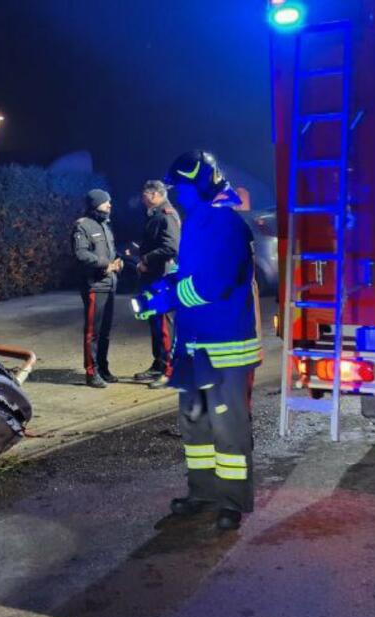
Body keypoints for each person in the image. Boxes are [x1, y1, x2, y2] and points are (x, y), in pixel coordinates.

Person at [131, 150, 261, 531]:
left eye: (183, 189)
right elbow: (191, 275)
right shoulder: (200, 222)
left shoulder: (225, 225)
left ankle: (231, 502)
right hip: (194, 345)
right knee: (196, 425)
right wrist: (159, 292)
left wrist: (168, 298)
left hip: (225, 347)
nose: (177, 196)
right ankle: (202, 493)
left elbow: (214, 283)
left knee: (228, 428)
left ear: (201, 185)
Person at [133, 179, 181, 390]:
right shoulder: (155, 215)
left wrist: (146, 260)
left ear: (154, 194)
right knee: (154, 323)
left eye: (144, 194)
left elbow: (171, 248)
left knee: (163, 326)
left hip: (161, 279)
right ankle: (159, 363)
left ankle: (169, 371)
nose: (142, 198)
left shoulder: (166, 215)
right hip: (152, 277)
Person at [72, 188, 123, 388]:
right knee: (92, 332)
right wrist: (104, 264)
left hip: (110, 283)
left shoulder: (105, 225)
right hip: (94, 285)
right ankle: (91, 372)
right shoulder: (82, 226)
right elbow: (81, 254)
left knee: (106, 331)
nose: (109, 205)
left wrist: (118, 262)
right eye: (105, 202)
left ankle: (103, 367)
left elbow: (110, 252)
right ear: (95, 204)